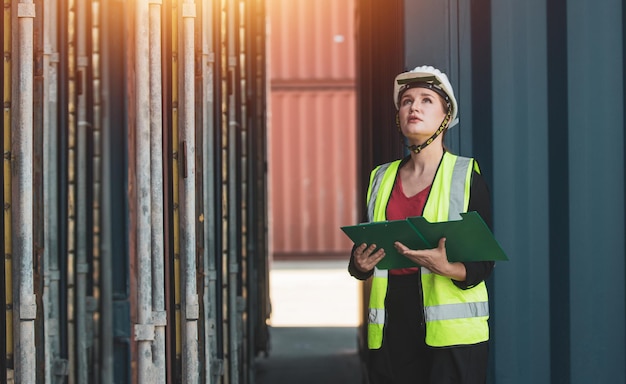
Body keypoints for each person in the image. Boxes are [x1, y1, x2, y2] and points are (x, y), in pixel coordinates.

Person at [348, 65, 494, 384]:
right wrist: (359, 264)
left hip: (452, 334)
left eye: (426, 100)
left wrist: (448, 267)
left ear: (446, 117)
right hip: (393, 326)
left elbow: (483, 263)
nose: (414, 107)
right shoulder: (380, 178)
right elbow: (368, 251)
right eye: (406, 101)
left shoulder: (466, 177)